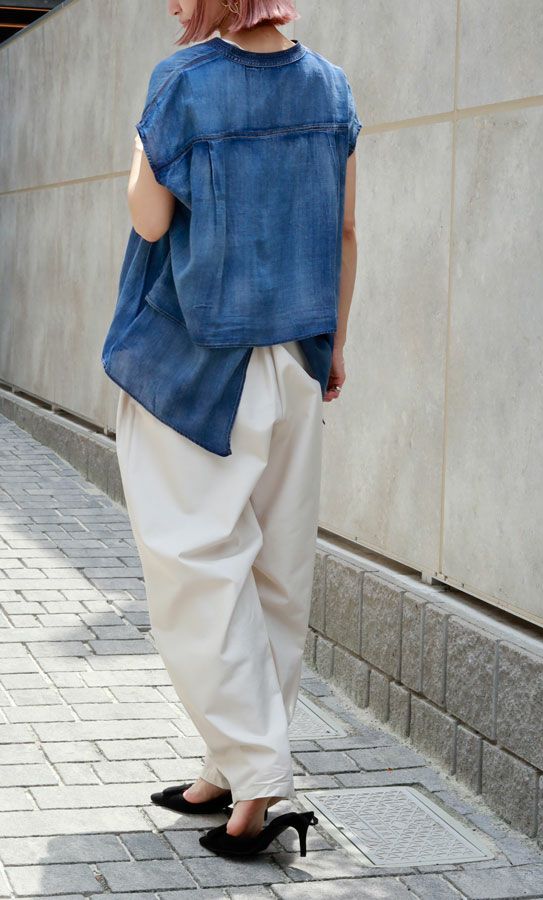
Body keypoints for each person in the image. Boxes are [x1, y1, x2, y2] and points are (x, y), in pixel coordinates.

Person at [100, 0, 361, 858]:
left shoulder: (182, 81)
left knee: (195, 573)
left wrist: (144, 138)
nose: (169, 4)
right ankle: (231, 769)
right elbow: (345, 231)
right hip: (295, 358)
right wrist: (335, 347)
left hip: (197, 369)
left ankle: (260, 781)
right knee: (274, 576)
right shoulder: (330, 86)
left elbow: (148, 218)